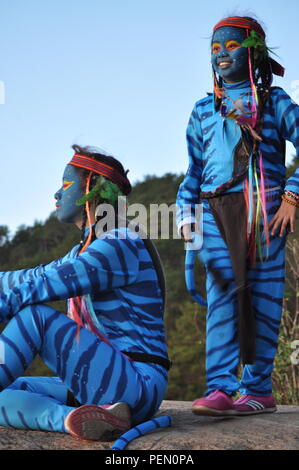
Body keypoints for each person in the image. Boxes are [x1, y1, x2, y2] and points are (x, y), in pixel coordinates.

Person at [0, 145, 170, 440]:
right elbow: (30, 277)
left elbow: (45, 284)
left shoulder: (122, 241)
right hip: (100, 386)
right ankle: (74, 419)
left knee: (36, 317)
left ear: (92, 188)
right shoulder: (83, 252)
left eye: (66, 184)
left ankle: (99, 413)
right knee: (8, 390)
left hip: (137, 383)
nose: (56, 194)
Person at [176, 15, 298, 416]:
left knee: (263, 298)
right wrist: (186, 216)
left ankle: (259, 390)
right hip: (214, 209)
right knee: (223, 290)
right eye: (215, 49)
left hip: (265, 210)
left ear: (253, 52)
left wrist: (293, 197)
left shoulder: (275, 102)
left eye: (231, 46)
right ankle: (221, 388)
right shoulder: (201, 110)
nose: (222, 54)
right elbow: (193, 170)